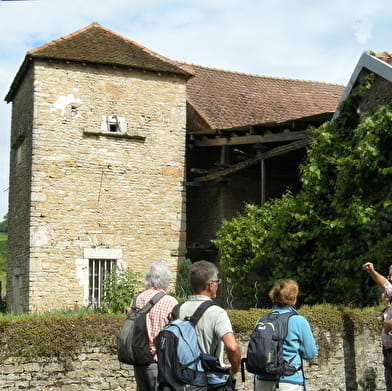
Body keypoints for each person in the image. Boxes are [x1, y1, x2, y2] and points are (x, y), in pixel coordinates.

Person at [178, 260, 241, 389]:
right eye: (217, 282)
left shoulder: (177, 309)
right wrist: (234, 369)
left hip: (182, 379)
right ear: (210, 285)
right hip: (208, 380)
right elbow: (232, 347)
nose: (218, 285)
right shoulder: (217, 312)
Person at [255, 279, 317, 391]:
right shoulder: (299, 321)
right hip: (289, 381)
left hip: (262, 380)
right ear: (293, 298)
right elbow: (310, 354)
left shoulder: (262, 320)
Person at [132, 260, 178, 391]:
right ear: (166, 279)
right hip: (159, 361)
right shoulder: (170, 302)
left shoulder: (138, 299)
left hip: (139, 359)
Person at [363, 262, 392, 391]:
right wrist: (372, 272)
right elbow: (385, 284)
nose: (390, 279)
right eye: (389, 275)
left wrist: (389, 324)